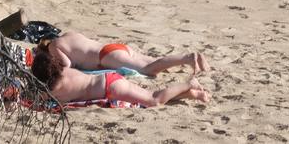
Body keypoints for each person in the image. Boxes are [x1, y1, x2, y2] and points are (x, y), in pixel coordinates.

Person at [29, 41, 210, 108]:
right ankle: (191, 94)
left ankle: (189, 84)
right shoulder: (64, 70)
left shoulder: (53, 89)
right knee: (149, 81)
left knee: (154, 99)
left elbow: (34, 98)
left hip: (111, 84)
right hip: (109, 74)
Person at [39, 31, 209, 76]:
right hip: (111, 47)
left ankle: (188, 58)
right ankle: (191, 56)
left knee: (149, 69)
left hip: (106, 57)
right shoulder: (68, 34)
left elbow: (67, 65)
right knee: (152, 60)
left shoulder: (54, 47)